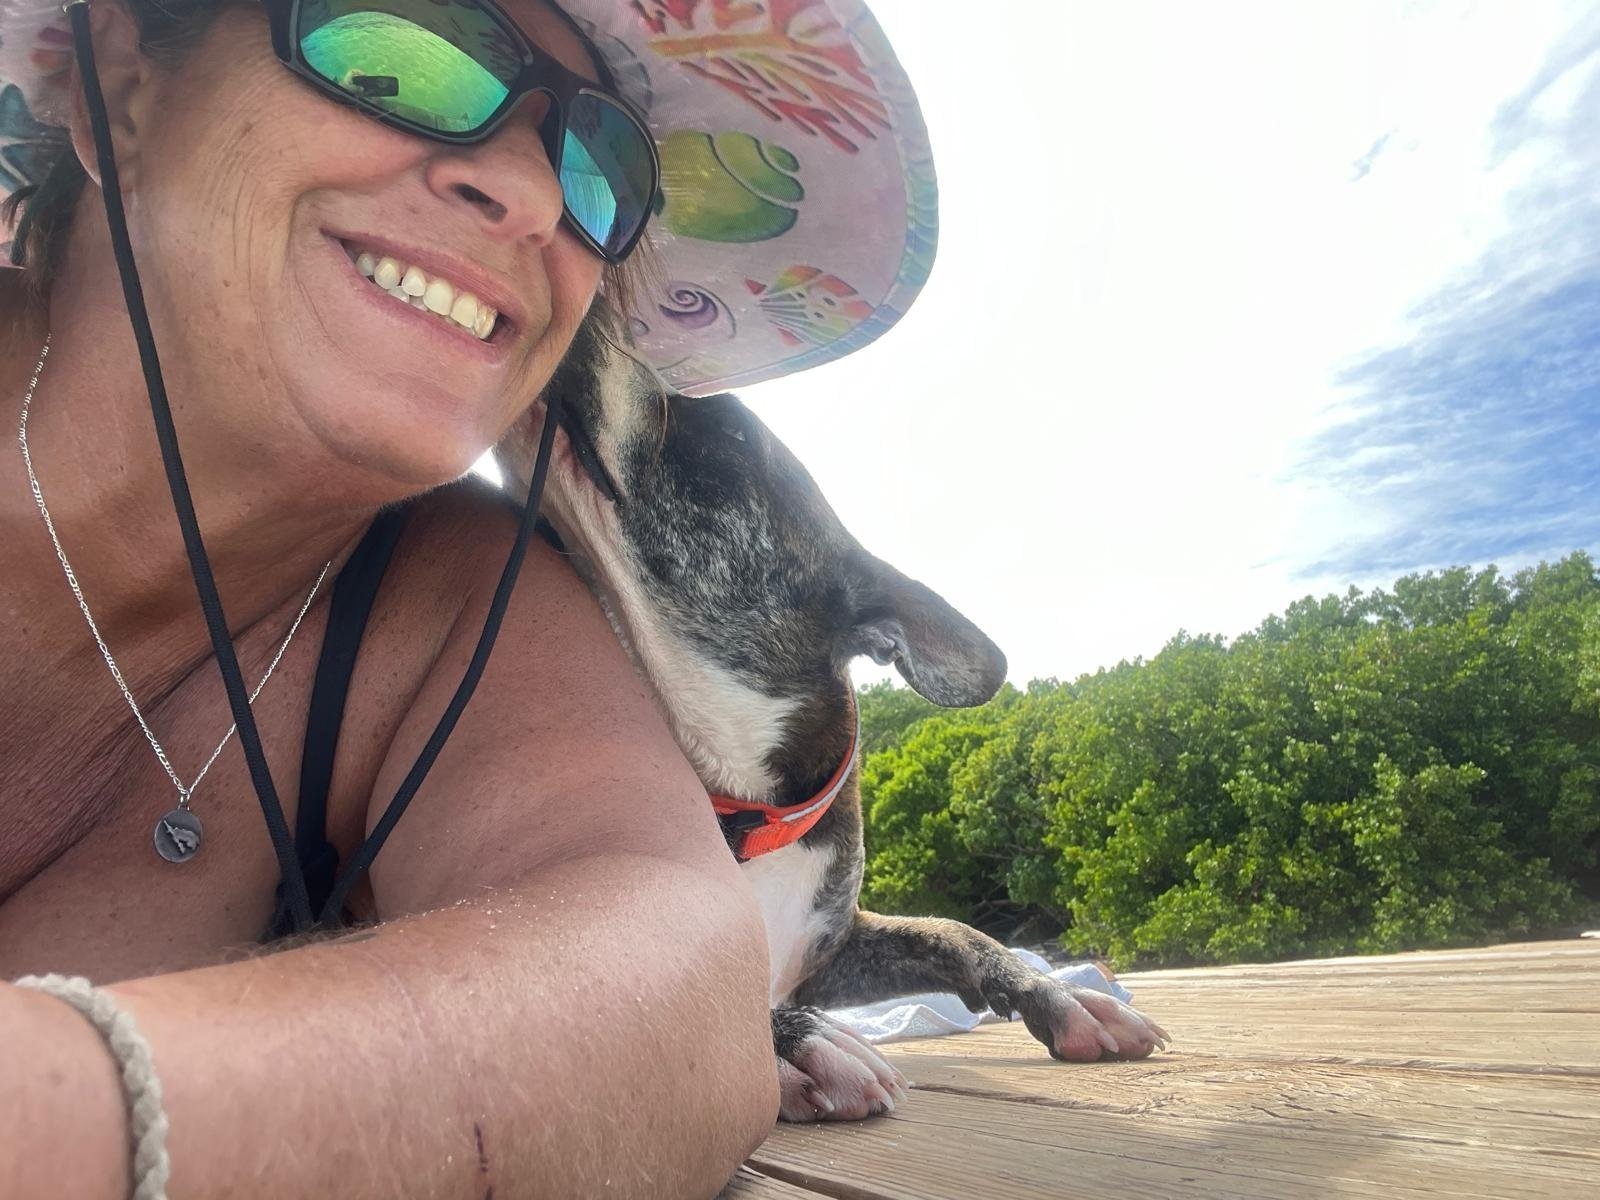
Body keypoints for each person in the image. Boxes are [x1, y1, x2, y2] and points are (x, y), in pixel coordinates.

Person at [0, 0, 936, 1195]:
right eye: (405, 52)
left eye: (598, 166)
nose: (535, 197)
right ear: (120, 89)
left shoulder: (457, 593)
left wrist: (78, 1118)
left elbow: (677, 1007)